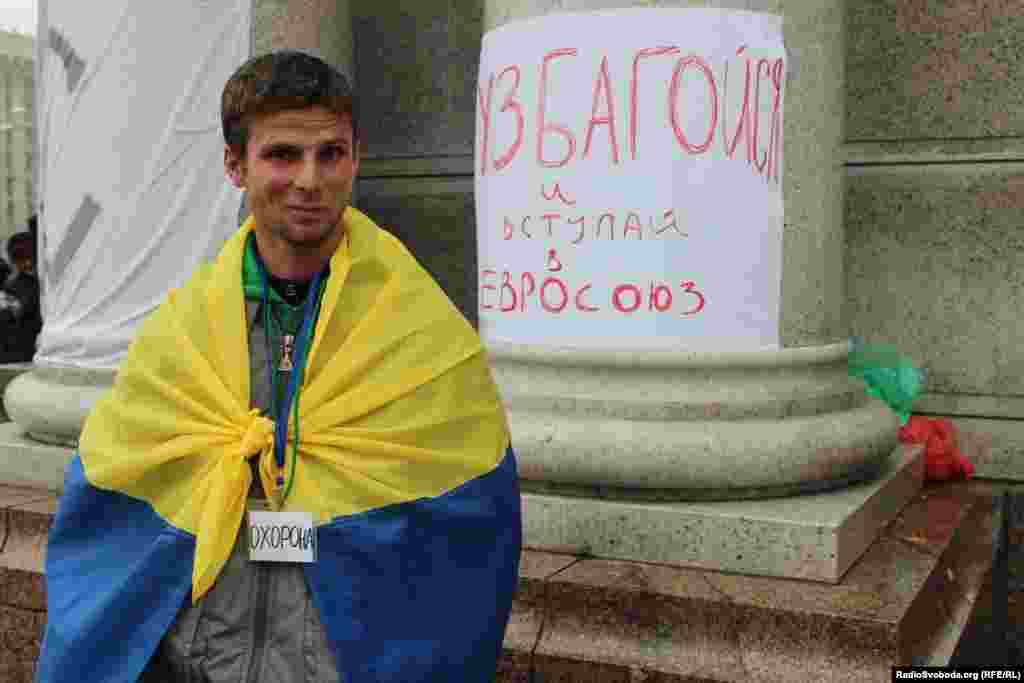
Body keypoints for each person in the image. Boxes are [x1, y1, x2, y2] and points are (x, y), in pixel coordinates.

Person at [36, 51, 521, 682]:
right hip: (201, 665)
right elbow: (107, 503)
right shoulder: (182, 336)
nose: (310, 181)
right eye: (283, 154)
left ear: (356, 158)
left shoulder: (419, 328)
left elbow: (474, 519)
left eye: (331, 154)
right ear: (236, 165)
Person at [0, 227, 41, 363]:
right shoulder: (11, 286)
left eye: (30, 258)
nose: (27, 263)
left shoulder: (45, 280)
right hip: (22, 353)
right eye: (21, 260)